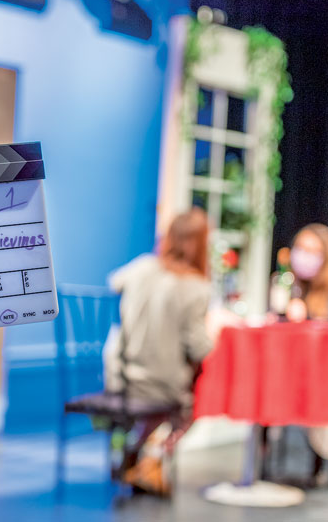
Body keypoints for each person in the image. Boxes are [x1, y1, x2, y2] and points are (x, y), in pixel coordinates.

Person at [103, 208, 214, 495]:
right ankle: (150, 458)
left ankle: (137, 453)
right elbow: (198, 347)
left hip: (121, 378)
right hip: (160, 386)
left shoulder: (142, 267)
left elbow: (113, 282)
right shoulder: (196, 287)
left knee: (171, 393)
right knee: (195, 400)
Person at [269, 223, 328, 488]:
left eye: (312, 250)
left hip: (321, 371)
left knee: (321, 394)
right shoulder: (285, 282)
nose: (304, 255)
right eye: (301, 248)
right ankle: (261, 461)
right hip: (285, 367)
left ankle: (320, 464)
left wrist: (308, 316)